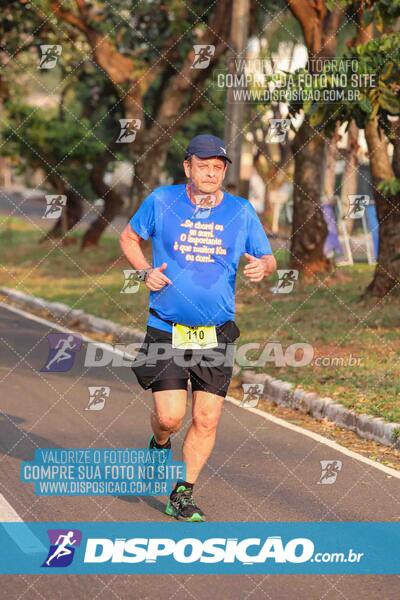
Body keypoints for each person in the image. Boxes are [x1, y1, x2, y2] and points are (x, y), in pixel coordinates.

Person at [120, 134, 276, 521]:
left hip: (217, 332)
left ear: (224, 171)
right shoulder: (161, 200)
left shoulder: (240, 211)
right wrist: (145, 272)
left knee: (206, 418)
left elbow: (267, 257)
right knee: (171, 418)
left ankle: (181, 494)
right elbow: (129, 237)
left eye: (218, 167)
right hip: (167, 327)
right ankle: (159, 442)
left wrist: (262, 266)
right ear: (187, 167)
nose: (210, 173)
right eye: (202, 166)